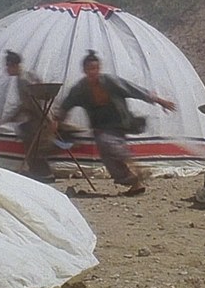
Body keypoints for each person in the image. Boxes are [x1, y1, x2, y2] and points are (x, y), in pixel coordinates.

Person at [53, 50, 176, 196]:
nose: (93, 72)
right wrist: (57, 121)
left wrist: (159, 100)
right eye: (89, 69)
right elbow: (66, 105)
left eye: (95, 68)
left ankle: (135, 166)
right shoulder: (80, 89)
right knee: (108, 158)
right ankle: (134, 183)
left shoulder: (110, 82)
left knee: (108, 142)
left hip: (119, 124)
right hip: (100, 127)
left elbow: (133, 89)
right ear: (84, 70)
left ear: (99, 68)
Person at [1, 50, 57, 183]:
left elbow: (38, 101)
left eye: (8, 66)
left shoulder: (24, 80)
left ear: (13, 65)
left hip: (40, 117)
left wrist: (49, 120)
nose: (6, 69)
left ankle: (43, 173)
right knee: (28, 136)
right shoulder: (25, 76)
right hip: (37, 117)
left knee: (35, 144)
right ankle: (39, 171)